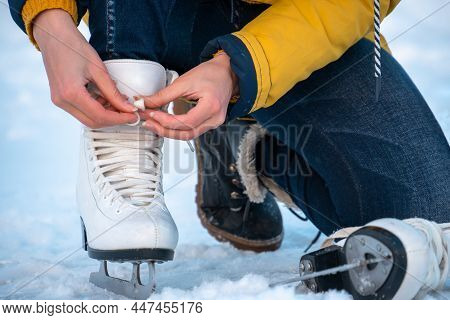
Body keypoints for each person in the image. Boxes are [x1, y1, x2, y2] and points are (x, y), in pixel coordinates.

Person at [8, 0, 450, 252]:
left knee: (427, 226)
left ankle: (250, 146)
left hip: (299, 24)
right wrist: (49, 19)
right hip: (155, 15)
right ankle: (123, 152)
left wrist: (239, 68)